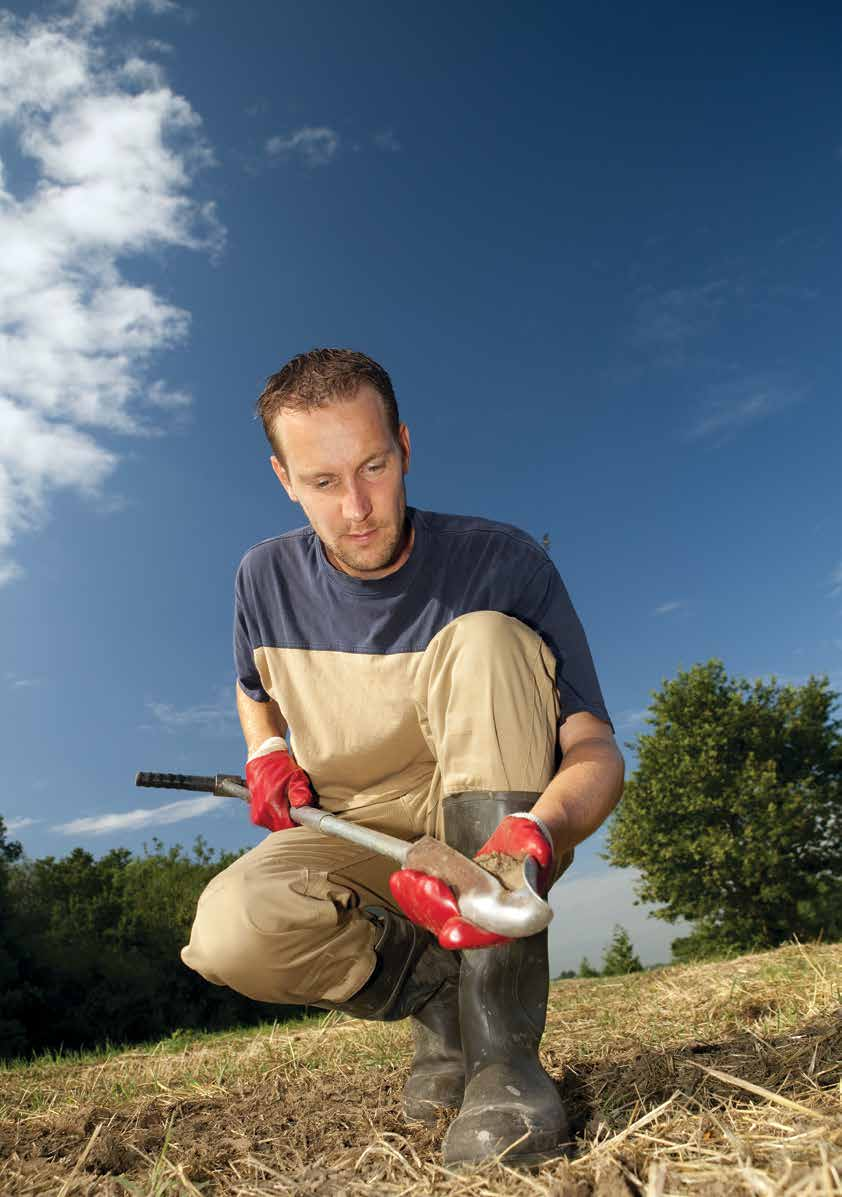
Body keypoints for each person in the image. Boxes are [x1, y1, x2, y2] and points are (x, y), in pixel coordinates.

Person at [182, 348, 624, 1167]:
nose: (356, 506)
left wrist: (541, 830)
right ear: (284, 478)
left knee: (489, 636)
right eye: (322, 481)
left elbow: (594, 747)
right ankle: (440, 997)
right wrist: (266, 749)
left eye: (374, 466)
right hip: (357, 827)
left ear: (407, 446)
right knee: (231, 930)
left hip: (486, 806)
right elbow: (253, 685)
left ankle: (501, 1059)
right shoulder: (261, 579)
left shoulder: (506, 562)